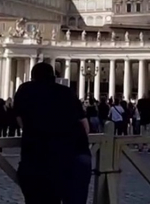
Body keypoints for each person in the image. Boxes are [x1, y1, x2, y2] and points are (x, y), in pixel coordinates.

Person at [14, 62, 92, 204]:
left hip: (39, 157)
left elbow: (21, 122)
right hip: (76, 156)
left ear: (32, 77)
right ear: (54, 77)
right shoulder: (67, 91)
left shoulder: (25, 90)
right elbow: (85, 126)